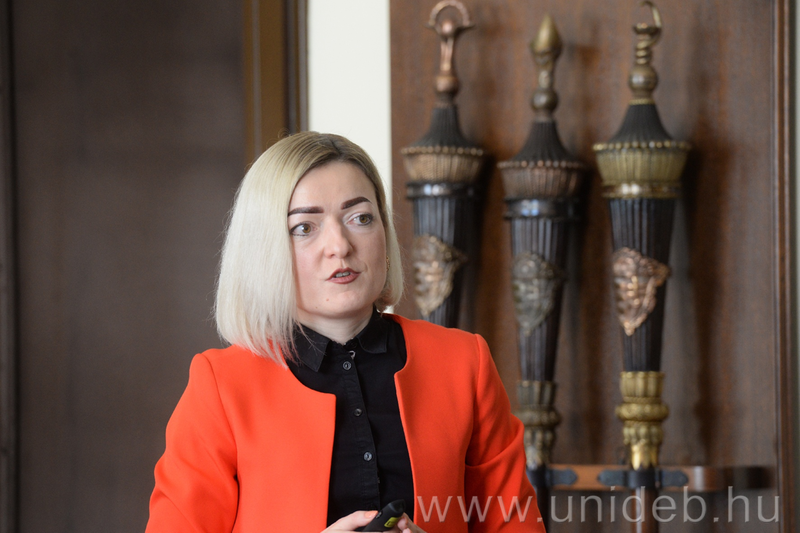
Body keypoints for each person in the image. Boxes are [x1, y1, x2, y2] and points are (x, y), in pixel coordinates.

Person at [146, 132, 544, 533]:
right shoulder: (221, 386)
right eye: (304, 227)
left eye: (360, 218)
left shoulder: (463, 363)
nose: (339, 245)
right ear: (264, 248)